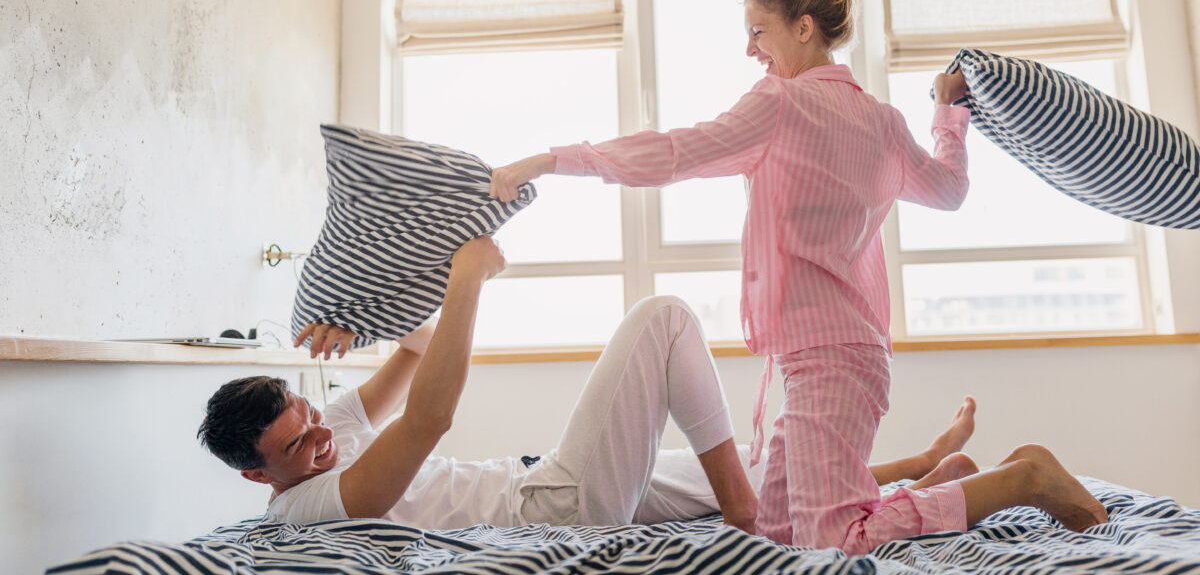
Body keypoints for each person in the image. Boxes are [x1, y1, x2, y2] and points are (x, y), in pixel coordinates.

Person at [488, 0, 1108, 551]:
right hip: (843, 353)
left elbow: (674, 152)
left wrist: (553, 159)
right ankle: (943, 484)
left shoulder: (780, 104)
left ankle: (1022, 478)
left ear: (803, 28)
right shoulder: (883, 120)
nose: (750, 49)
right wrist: (949, 115)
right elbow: (949, 190)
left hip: (832, 356)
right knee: (774, 534)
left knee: (833, 538)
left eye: (759, 31)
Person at [198, 236, 983, 534]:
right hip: (555, 509)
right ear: (259, 476)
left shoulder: (328, 424)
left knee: (750, 465)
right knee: (665, 318)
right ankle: (745, 520)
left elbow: (422, 348)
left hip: (549, 480)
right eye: (297, 447)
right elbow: (430, 417)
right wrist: (467, 277)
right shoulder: (304, 507)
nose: (321, 437)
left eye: (308, 413)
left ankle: (913, 471)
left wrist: (357, 318)